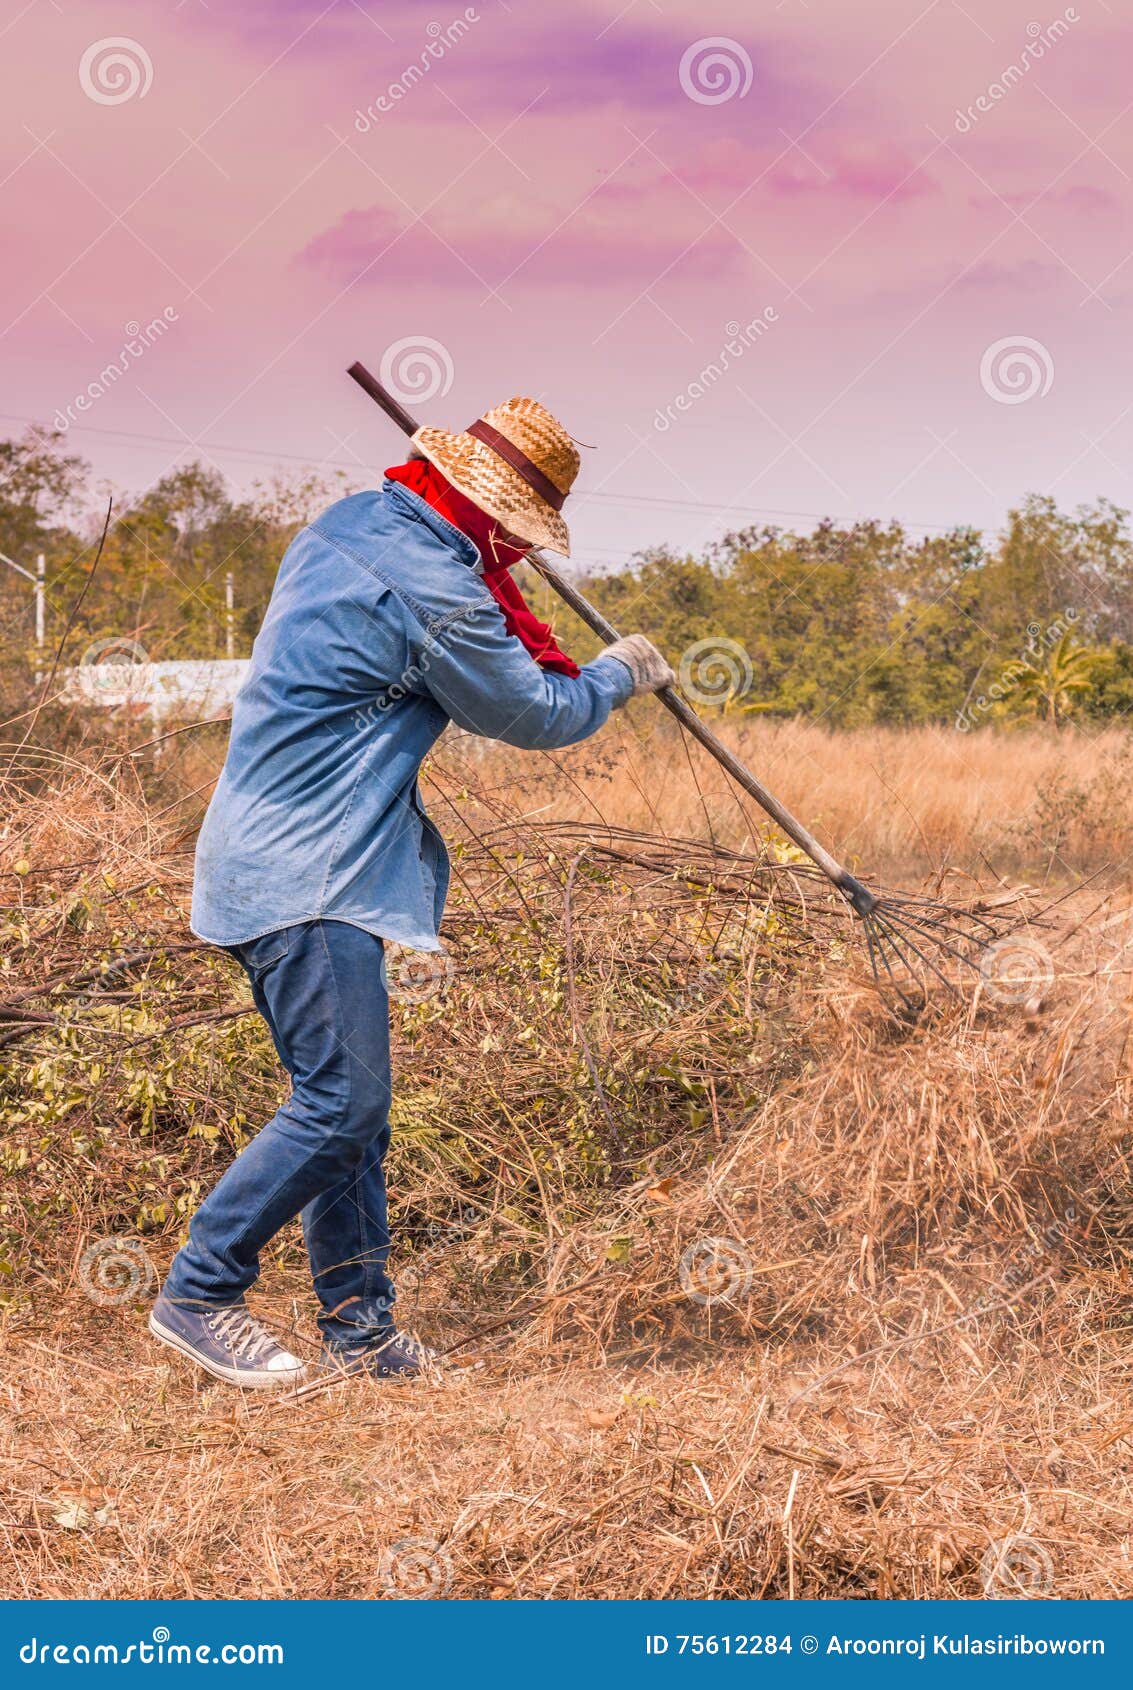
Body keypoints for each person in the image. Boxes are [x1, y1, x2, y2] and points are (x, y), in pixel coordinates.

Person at [148, 395, 674, 1388]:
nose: (517, 554)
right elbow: (537, 714)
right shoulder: (438, 592)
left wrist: (509, 609)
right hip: (309, 873)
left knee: (347, 1110)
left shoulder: (353, 520)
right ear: (491, 515)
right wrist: (614, 676)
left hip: (274, 860)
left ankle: (362, 1333)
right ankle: (200, 1289)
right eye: (515, 534)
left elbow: (476, 627)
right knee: (342, 1104)